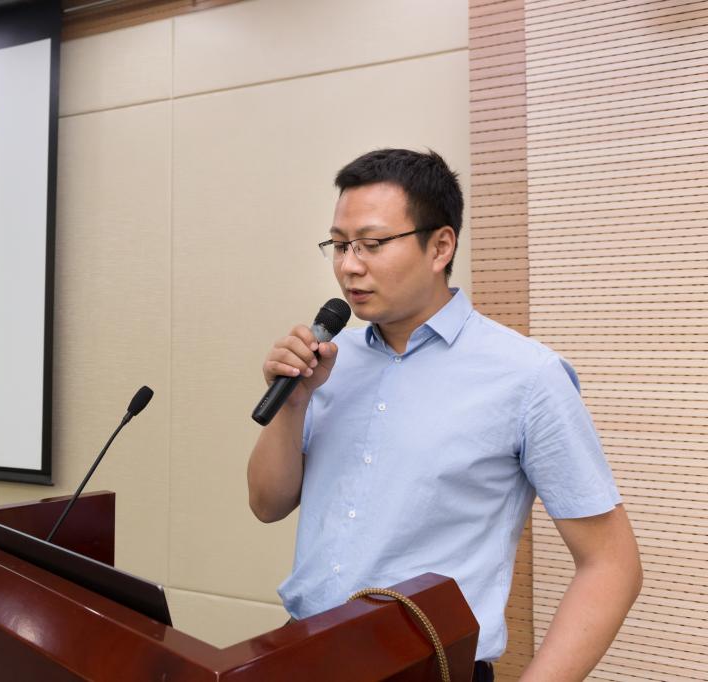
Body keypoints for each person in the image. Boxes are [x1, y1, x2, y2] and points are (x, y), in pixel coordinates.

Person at [247, 149, 643, 681]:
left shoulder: (526, 375)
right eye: (339, 245)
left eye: (371, 244)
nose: (349, 266)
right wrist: (293, 404)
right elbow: (267, 504)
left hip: (425, 669)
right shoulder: (330, 360)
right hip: (301, 652)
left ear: (440, 246)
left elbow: (612, 565)